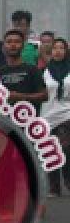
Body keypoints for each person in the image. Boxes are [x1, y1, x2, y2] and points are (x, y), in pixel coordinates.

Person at [42, 38, 70, 194]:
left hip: (67, 113)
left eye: (61, 48)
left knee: (66, 149)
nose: (58, 51)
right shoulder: (44, 71)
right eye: (55, 48)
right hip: (48, 115)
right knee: (51, 151)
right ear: (50, 51)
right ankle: (54, 185)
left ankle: (67, 179)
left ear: (66, 51)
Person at [0, 29, 48, 111]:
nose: (13, 45)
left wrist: (21, 97)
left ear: (23, 45)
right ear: (3, 46)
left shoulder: (33, 70)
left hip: (28, 121)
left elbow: (44, 96)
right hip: (3, 121)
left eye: (17, 42)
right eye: (9, 42)